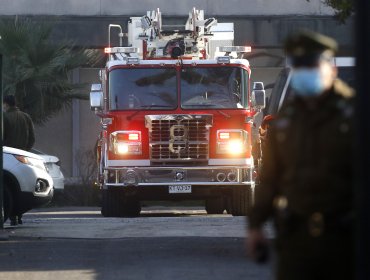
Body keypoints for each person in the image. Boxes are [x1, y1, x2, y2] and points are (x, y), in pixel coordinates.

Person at [247, 30, 355, 280]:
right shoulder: (285, 122)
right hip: (296, 238)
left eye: (312, 65)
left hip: (345, 237)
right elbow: (270, 179)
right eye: (300, 67)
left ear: (331, 69)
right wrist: (255, 226)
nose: (306, 73)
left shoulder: (353, 115)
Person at [3, 95, 36, 226]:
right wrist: (25, 150)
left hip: (8, 155)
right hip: (23, 155)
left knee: (9, 186)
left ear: (5, 104)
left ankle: (12, 216)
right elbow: (32, 138)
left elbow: (3, 136)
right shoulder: (26, 117)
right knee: (21, 185)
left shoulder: (5, 117)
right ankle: (18, 216)